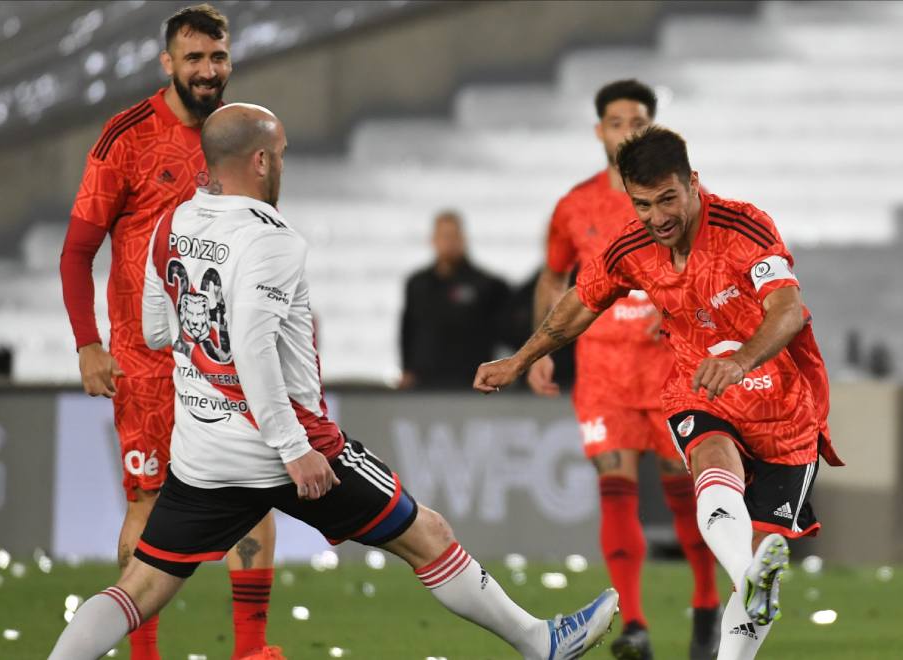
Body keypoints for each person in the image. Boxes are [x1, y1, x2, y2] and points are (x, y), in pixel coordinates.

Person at [49, 103, 620, 660]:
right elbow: (251, 347)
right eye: (280, 154)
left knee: (141, 587)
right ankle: (540, 643)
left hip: (204, 451)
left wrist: (206, 346)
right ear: (260, 163)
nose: (282, 165)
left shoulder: (172, 221)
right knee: (427, 534)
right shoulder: (273, 239)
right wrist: (294, 449)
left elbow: (154, 330)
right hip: (290, 445)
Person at [475, 126, 844, 660]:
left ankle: (748, 589)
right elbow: (581, 301)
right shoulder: (632, 246)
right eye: (643, 204)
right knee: (713, 458)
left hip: (785, 407)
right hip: (701, 389)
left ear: (693, 183)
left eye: (668, 199)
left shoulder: (746, 226)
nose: (657, 216)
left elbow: (786, 311)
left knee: (764, 555)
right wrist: (521, 359)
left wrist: (740, 360)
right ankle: (747, 572)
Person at [58, 5, 279, 658]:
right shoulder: (126, 136)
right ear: (168, 63)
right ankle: (144, 653)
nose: (208, 71)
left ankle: (251, 650)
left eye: (217, 58)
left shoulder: (240, 136)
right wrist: (88, 343)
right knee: (150, 503)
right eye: (194, 59)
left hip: (223, 358)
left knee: (254, 493)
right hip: (146, 362)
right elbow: (76, 251)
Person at [529, 79, 720, 660]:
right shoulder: (574, 205)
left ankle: (708, 606)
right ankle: (633, 625)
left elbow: (714, 263)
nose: (626, 131)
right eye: (616, 122)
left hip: (671, 367)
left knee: (684, 495)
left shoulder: (683, 197)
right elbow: (553, 277)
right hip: (604, 369)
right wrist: (541, 349)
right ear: (599, 132)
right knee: (615, 492)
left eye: (637, 121)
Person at [399, 211, 511, 389]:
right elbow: (407, 329)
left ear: (463, 239)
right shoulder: (417, 284)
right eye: (443, 236)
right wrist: (406, 369)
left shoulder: (488, 285)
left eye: (453, 236)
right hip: (425, 382)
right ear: (433, 240)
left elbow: (507, 330)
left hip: (470, 382)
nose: (448, 242)